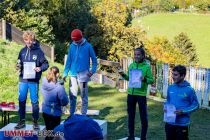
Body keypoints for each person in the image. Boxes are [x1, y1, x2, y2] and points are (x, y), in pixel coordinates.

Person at [15, 31, 49, 130]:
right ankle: (21, 121)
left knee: (34, 101)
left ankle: (35, 122)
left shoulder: (39, 51)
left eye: (30, 40)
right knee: (21, 100)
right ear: (24, 40)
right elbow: (18, 63)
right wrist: (18, 66)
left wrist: (40, 68)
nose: (28, 42)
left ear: (33, 40)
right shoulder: (22, 51)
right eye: (26, 40)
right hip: (23, 80)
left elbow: (46, 64)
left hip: (34, 81)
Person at [119, 47, 154, 140]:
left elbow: (151, 80)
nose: (136, 56)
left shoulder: (146, 67)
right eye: (135, 54)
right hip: (131, 94)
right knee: (131, 116)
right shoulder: (131, 66)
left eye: (138, 54)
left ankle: (143, 138)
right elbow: (129, 79)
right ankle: (131, 136)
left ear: (143, 55)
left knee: (143, 117)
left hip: (141, 95)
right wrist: (123, 75)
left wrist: (144, 79)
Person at [63, 29, 97, 115]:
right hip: (73, 75)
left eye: (77, 40)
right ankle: (71, 115)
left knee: (84, 96)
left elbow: (94, 60)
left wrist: (92, 71)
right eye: (74, 40)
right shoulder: (71, 46)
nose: (76, 42)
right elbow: (68, 61)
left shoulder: (88, 46)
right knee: (72, 96)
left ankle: (83, 115)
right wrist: (65, 74)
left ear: (81, 37)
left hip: (84, 76)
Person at [164, 65, 199, 140]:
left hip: (182, 124)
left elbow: (196, 105)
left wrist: (183, 111)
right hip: (169, 123)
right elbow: (168, 100)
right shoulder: (170, 87)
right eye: (172, 74)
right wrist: (165, 107)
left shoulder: (189, 90)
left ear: (182, 76)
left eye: (175, 75)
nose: (173, 76)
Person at [41, 66, 69, 140]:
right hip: (54, 113)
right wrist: (62, 86)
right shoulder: (59, 87)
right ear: (57, 74)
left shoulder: (44, 81)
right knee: (54, 135)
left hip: (45, 111)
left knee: (48, 132)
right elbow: (65, 101)